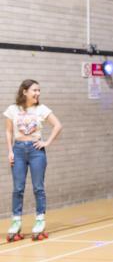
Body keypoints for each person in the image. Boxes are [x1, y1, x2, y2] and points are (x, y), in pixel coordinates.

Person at [4, 79, 62, 242]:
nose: (37, 93)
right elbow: (8, 131)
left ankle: (40, 220)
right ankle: (16, 222)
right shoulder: (12, 109)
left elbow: (57, 125)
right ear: (24, 92)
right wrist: (10, 151)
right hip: (18, 150)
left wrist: (46, 142)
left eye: (39, 91)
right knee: (18, 188)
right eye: (34, 90)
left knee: (38, 188)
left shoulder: (41, 109)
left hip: (36, 151)